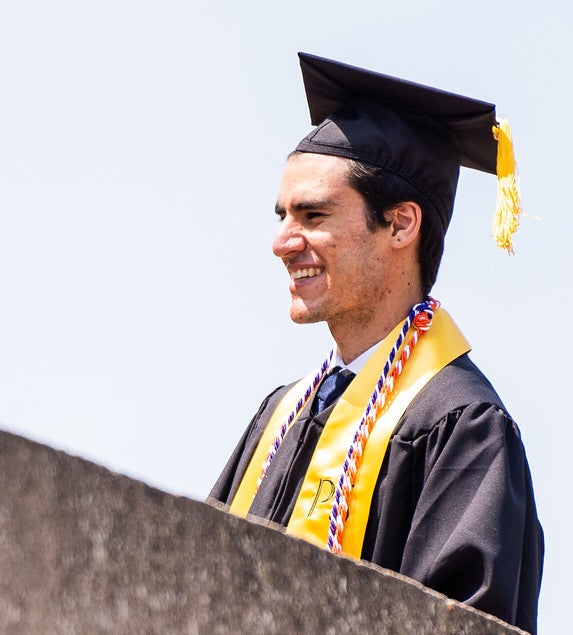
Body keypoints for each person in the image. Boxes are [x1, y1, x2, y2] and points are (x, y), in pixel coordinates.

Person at [206, 54, 544, 632]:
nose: (283, 242)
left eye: (313, 215)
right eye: (283, 215)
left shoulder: (461, 427)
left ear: (401, 224)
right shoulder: (282, 415)